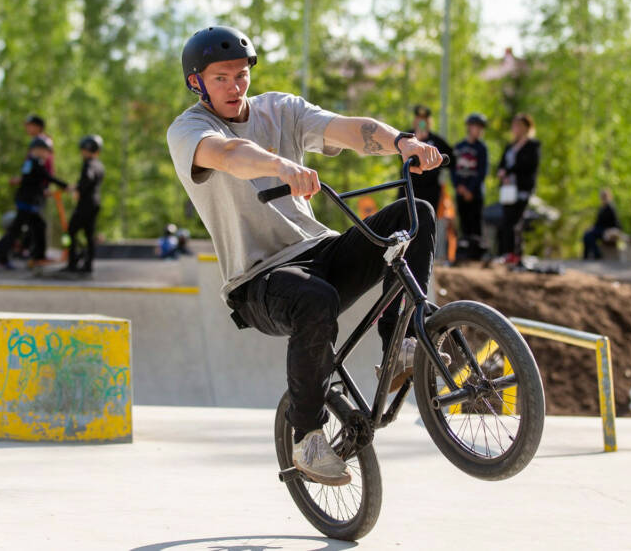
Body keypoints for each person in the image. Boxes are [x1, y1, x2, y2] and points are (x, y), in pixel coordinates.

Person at [166, 25, 445, 486]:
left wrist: (402, 142)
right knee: (314, 299)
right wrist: (281, 165)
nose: (235, 87)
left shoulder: (283, 109)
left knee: (415, 215)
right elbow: (231, 154)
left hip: (320, 251)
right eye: (221, 78)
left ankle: (403, 344)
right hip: (259, 282)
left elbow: (348, 129)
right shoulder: (190, 130)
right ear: (196, 82)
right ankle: (309, 437)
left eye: (241, 75)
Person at [0, 137, 67, 271]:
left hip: (32, 202)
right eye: (46, 151)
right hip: (26, 202)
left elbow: (35, 180)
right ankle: (1, 255)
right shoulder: (33, 162)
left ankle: (38, 256)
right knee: (16, 230)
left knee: (39, 226)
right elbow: (44, 177)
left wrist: (43, 190)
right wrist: (65, 185)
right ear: (38, 150)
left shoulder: (35, 163)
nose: (47, 154)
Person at [496, 113, 541, 266]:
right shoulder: (510, 146)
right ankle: (508, 253)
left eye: (519, 125)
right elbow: (502, 164)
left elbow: (529, 166)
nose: (516, 128)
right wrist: (502, 174)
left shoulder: (532, 146)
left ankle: (517, 253)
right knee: (506, 220)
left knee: (517, 220)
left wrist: (509, 172)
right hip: (508, 189)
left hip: (522, 189)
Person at [398, 104, 453, 214]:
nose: (421, 122)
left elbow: (451, 159)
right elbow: (400, 156)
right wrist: (416, 141)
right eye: (419, 119)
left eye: (424, 119)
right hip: (409, 188)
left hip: (430, 191)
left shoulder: (436, 140)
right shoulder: (406, 138)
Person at [62, 135, 104, 274]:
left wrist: (78, 190)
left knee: (70, 233)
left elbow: (88, 177)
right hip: (95, 203)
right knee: (89, 235)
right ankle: (87, 265)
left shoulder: (89, 164)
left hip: (85, 204)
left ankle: (72, 263)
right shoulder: (99, 165)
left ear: (87, 149)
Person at [452, 113, 488, 261]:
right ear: (469, 127)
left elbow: (482, 172)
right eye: (475, 126)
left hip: (475, 193)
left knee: (476, 223)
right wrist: (459, 187)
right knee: (464, 222)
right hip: (461, 192)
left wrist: (470, 190)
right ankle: (464, 253)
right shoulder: (459, 147)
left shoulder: (481, 148)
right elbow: (453, 169)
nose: (478, 130)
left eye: (480, 128)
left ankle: (477, 254)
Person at [583, 188, 620, 260]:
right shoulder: (602, 208)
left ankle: (596, 254)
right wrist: (591, 227)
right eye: (602, 196)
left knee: (589, 235)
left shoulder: (610, 208)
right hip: (600, 229)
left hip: (608, 230)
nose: (603, 198)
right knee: (587, 234)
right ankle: (587, 256)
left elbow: (615, 223)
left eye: (605, 196)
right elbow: (597, 222)